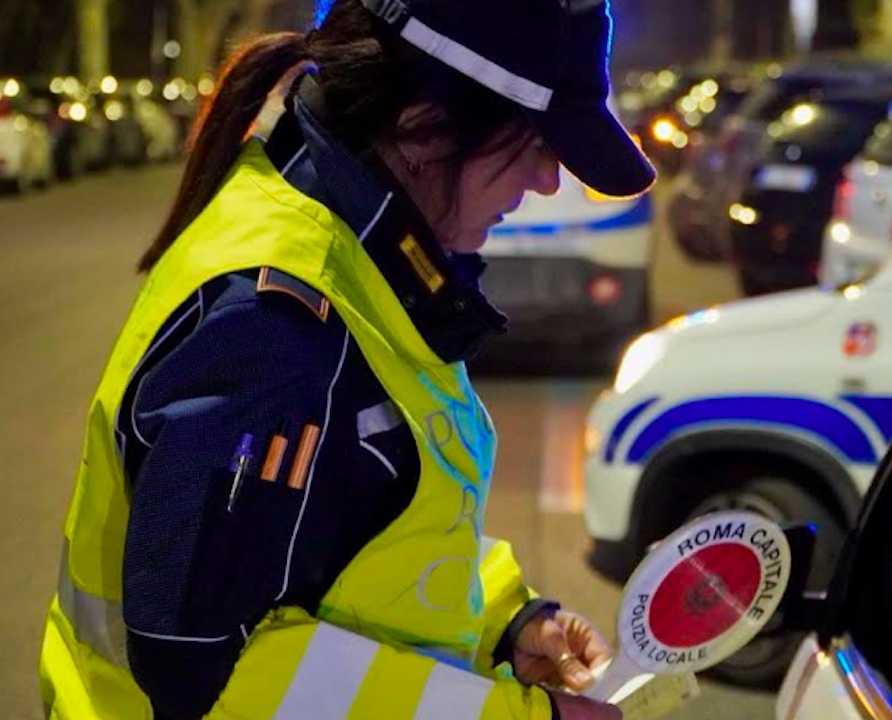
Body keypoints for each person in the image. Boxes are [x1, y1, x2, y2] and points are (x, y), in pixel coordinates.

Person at [38, 0, 655, 718]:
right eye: (537, 142)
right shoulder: (276, 332)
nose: (550, 180)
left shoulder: (342, 245)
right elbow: (209, 671)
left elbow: (360, 543)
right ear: (423, 125)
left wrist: (506, 623)